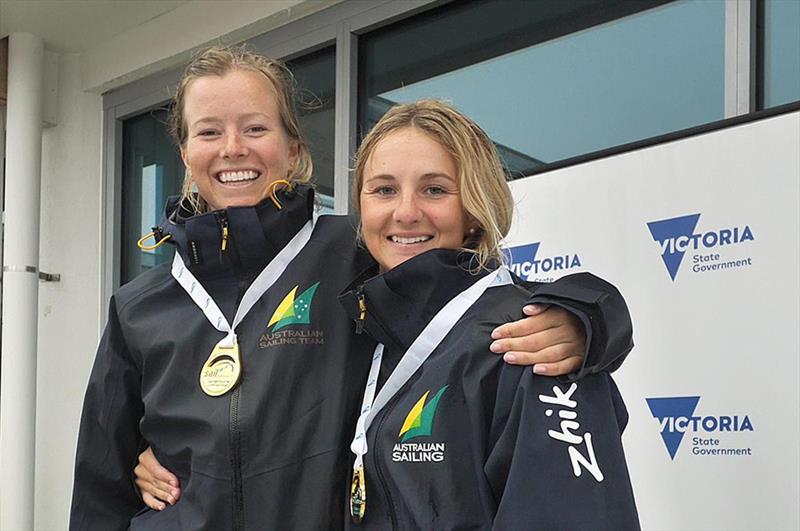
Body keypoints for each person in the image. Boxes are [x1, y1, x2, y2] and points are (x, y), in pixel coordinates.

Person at [70, 46, 632, 531]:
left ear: (294, 148)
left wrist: (585, 317)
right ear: (186, 154)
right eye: (208, 132)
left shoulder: (358, 254)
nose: (233, 148)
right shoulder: (139, 305)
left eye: (256, 127)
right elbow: (102, 480)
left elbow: (476, 290)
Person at [337, 99, 639, 529]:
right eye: (384, 190)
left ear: (475, 208)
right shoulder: (363, 330)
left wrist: (594, 315)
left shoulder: (532, 337)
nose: (405, 212)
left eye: (435, 190)